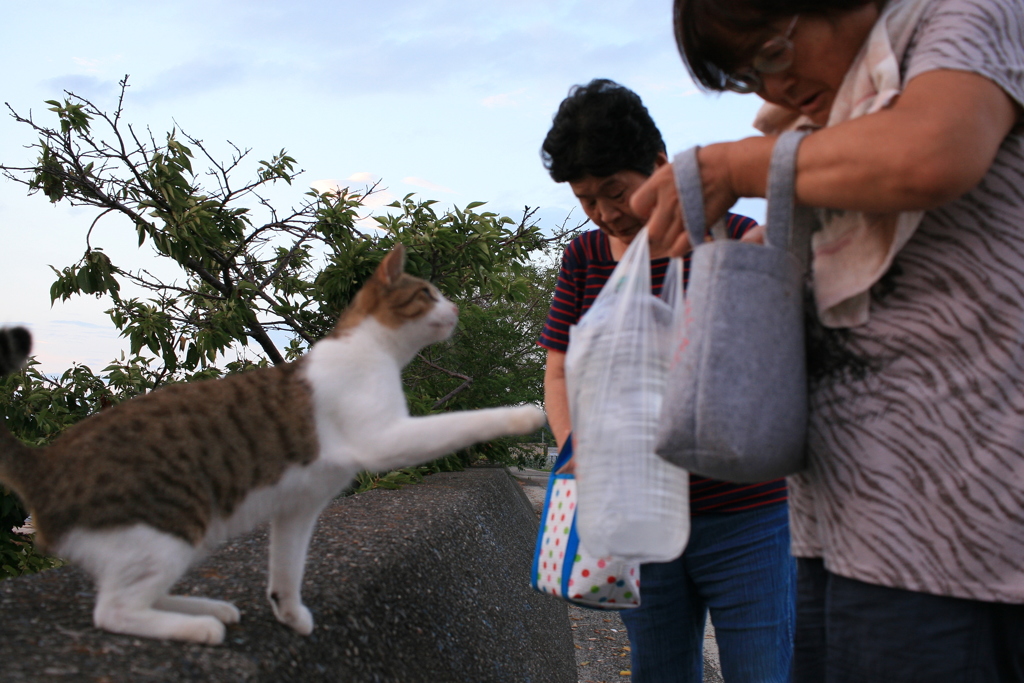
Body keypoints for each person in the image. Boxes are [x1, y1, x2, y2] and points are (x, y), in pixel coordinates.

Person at [632, 1, 1024, 680]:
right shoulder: (829, 124)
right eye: (746, 77)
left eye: (774, 53)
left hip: (957, 531)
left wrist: (735, 167)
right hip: (839, 523)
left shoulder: (966, 15)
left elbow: (932, 152)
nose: (771, 89)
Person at [539, 78, 795, 683]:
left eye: (616, 191)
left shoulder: (730, 237)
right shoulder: (583, 260)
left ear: (660, 165)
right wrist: (575, 445)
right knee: (660, 671)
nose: (604, 212)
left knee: (765, 671)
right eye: (586, 199)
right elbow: (557, 370)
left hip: (746, 514)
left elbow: (766, 360)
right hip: (635, 517)